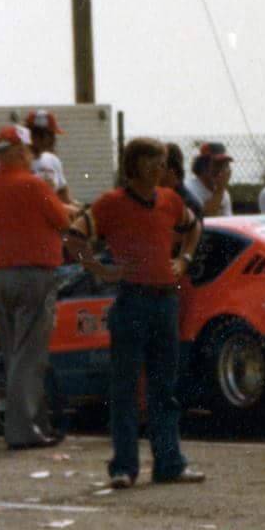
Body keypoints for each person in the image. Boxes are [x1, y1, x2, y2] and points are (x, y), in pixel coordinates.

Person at [86, 138, 205, 489]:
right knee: (125, 388)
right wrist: (98, 268)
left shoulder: (170, 200)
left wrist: (184, 259)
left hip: (165, 299)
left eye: (162, 162)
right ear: (134, 164)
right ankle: (124, 467)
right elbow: (75, 236)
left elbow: (193, 227)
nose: (158, 169)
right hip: (132, 300)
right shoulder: (111, 203)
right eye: (151, 161)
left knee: (164, 388)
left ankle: (169, 463)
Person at [0, 125, 76, 449]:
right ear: (21, 151)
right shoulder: (34, 185)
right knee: (30, 356)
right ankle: (22, 431)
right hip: (35, 276)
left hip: (2, 276)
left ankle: (35, 422)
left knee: (14, 354)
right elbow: (63, 220)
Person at [25, 109, 75, 204]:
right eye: (51, 135)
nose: (54, 140)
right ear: (35, 136)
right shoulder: (15, 163)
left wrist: (83, 208)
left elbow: (64, 198)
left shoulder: (53, 160)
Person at [185, 143, 235, 217]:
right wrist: (219, 191)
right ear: (202, 166)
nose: (222, 169)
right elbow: (203, 219)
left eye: (225, 165)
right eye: (217, 164)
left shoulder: (224, 194)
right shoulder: (189, 189)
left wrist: (220, 190)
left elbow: (227, 221)